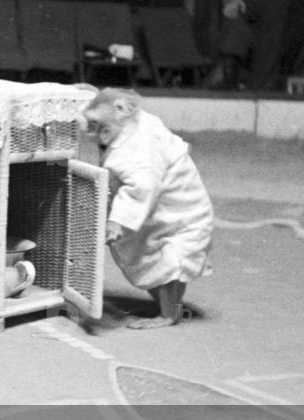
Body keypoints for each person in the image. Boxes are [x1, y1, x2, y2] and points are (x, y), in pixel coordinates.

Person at [81, 88, 214, 328]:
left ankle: (168, 314)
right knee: (147, 260)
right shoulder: (133, 123)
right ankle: (168, 306)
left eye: (98, 124)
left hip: (182, 217)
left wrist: (117, 220)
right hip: (161, 214)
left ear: (120, 109)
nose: (93, 133)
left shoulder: (141, 146)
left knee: (168, 261)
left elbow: (141, 186)